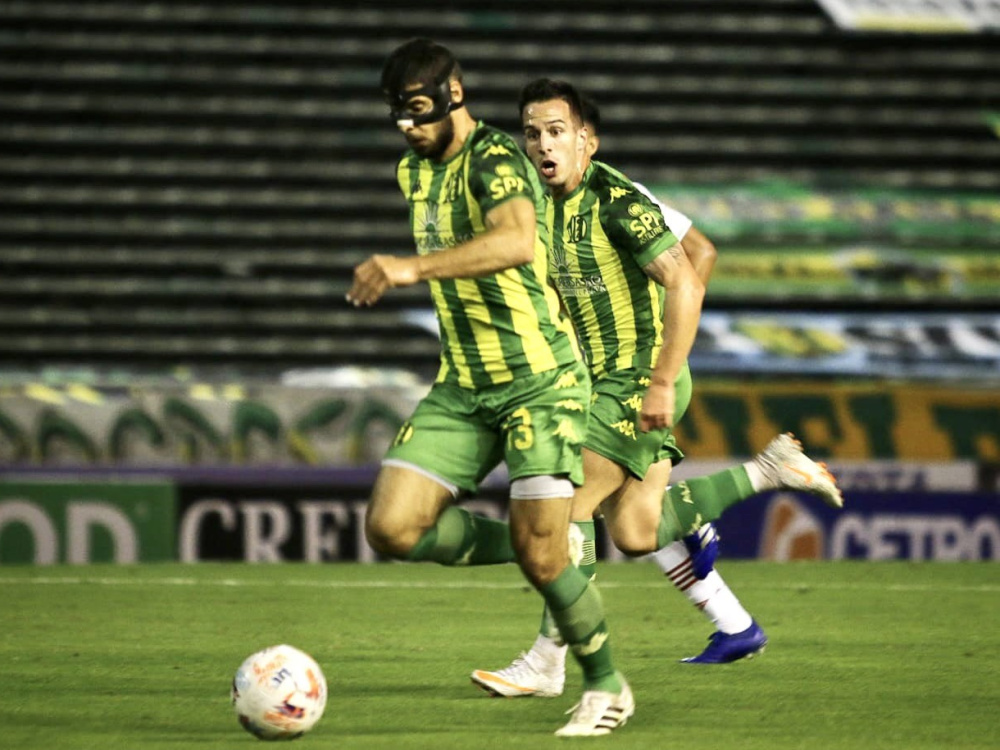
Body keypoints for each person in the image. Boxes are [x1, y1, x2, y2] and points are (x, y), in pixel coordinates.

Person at [470, 80, 843, 699]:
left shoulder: (618, 199)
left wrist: (664, 375)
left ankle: (546, 661)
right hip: (601, 381)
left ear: (586, 139)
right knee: (637, 533)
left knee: (565, 504)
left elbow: (690, 276)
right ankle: (767, 473)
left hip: (637, 377)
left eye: (556, 131)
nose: (542, 144)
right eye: (532, 133)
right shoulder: (537, 204)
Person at [347, 40, 633, 737]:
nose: (409, 128)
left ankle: (608, 686)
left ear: (454, 94)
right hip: (464, 385)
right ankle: (538, 542)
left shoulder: (496, 159)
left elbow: (514, 242)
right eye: (398, 115)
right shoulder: (412, 172)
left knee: (543, 554)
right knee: (390, 527)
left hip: (538, 381)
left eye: (418, 111)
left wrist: (410, 269)